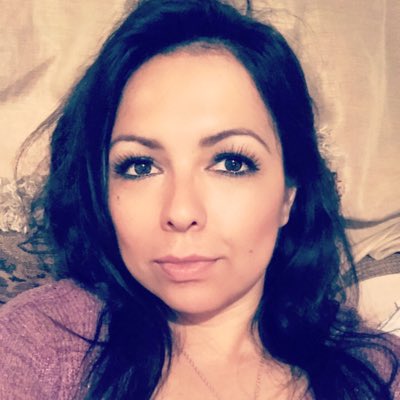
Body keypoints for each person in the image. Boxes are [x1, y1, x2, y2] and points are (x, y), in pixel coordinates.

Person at [0, 0, 398, 399]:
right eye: (140, 166)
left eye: (231, 163)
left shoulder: (378, 374)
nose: (181, 211)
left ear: (288, 195)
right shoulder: (36, 342)